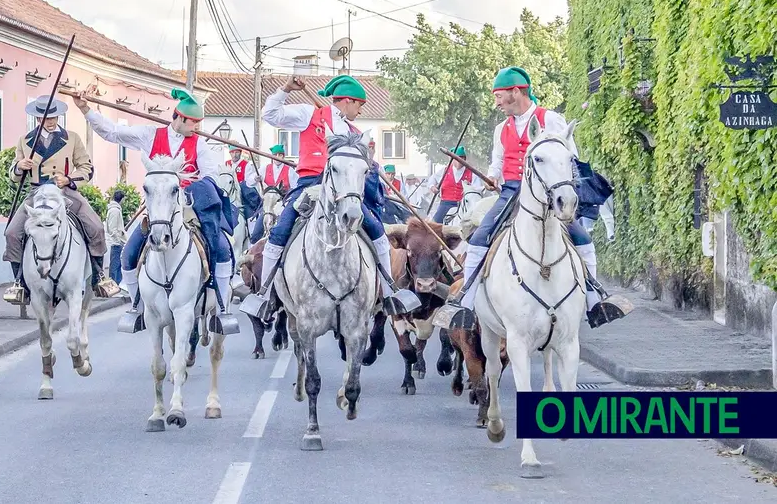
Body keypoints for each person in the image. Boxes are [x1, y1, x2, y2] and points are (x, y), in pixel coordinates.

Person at [441, 66, 632, 329]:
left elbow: (570, 158)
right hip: (510, 193)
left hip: (547, 195)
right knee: (478, 241)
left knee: (584, 241)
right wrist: (493, 176)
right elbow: (497, 163)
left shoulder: (550, 119)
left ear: (516, 92)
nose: (496, 102)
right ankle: (465, 305)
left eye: (499, 96)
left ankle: (593, 302)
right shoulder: (501, 129)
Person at [239, 74, 420, 321]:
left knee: (376, 229)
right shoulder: (308, 114)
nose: (360, 110)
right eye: (359, 104)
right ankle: (265, 293)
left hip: (344, 190)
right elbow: (271, 115)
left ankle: (388, 290)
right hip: (311, 184)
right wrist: (285, 89)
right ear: (347, 101)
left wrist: (371, 161)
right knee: (280, 229)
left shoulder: (354, 132)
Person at [71, 84, 238, 328]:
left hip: (188, 209)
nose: (197, 128)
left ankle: (222, 307)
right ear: (180, 118)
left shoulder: (199, 145)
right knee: (128, 254)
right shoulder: (150, 135)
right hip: (157, 211)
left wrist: (182, 184)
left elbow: (211, 173)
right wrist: (86, 110)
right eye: (194, 122)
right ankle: (136, 306)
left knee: (222, 248)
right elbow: (113, 133)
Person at [2, 95, 120, 305]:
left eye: (54, 116)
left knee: (95, 227)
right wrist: (20, 167)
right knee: (12, 232)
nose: (51, 120)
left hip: (65, 192)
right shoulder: (25, 140)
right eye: (47, 116)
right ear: (38, 118)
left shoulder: (71, 138)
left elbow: (87, 168)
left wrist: (69, 179)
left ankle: (99, 275)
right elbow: (13, 173)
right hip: (36, 193)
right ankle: (20, 283)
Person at [246, 143, 299, 243]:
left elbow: (296, 186)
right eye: (275, 155)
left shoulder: (290, 171)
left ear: (283, 156)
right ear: (272, 156)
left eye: (280, 155)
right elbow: (249, 182)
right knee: (257, 230)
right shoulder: (265, 168)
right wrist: (255, 178)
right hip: (267, 205)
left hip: (283, 205)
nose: (278, 157)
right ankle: (253, 247)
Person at [425, 146, 474, 223]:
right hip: (446, 204)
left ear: (464, 159)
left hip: (464, 205)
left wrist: (470, 188)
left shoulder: (472, 173)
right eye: (456, 158)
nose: (458, 161)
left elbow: (477, 190)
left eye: (461, 158)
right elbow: (432, 179)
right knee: (434, 225)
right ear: (451, 159)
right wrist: (432, 187)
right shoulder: (444, 171)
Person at [227, 144, 262, 221]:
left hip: (242, 193)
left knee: (250, 215)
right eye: (232, 152)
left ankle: (251, 229)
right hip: (229, 193)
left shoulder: (246, 164)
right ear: (230, 153)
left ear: (240, 153)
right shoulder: (226, 164)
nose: (234, 155)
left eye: (237, 152)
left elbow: (248, 180)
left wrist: (254, 179)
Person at [106, 190, 127, 285]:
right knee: (115, 266)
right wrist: (118, 240)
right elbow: (112, 228)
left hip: (117, 242)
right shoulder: (115, 210)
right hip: (116, 243)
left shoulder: (115, 209)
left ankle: (116, 287)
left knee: (117, 266)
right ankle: (113, 287)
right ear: (121, 199)